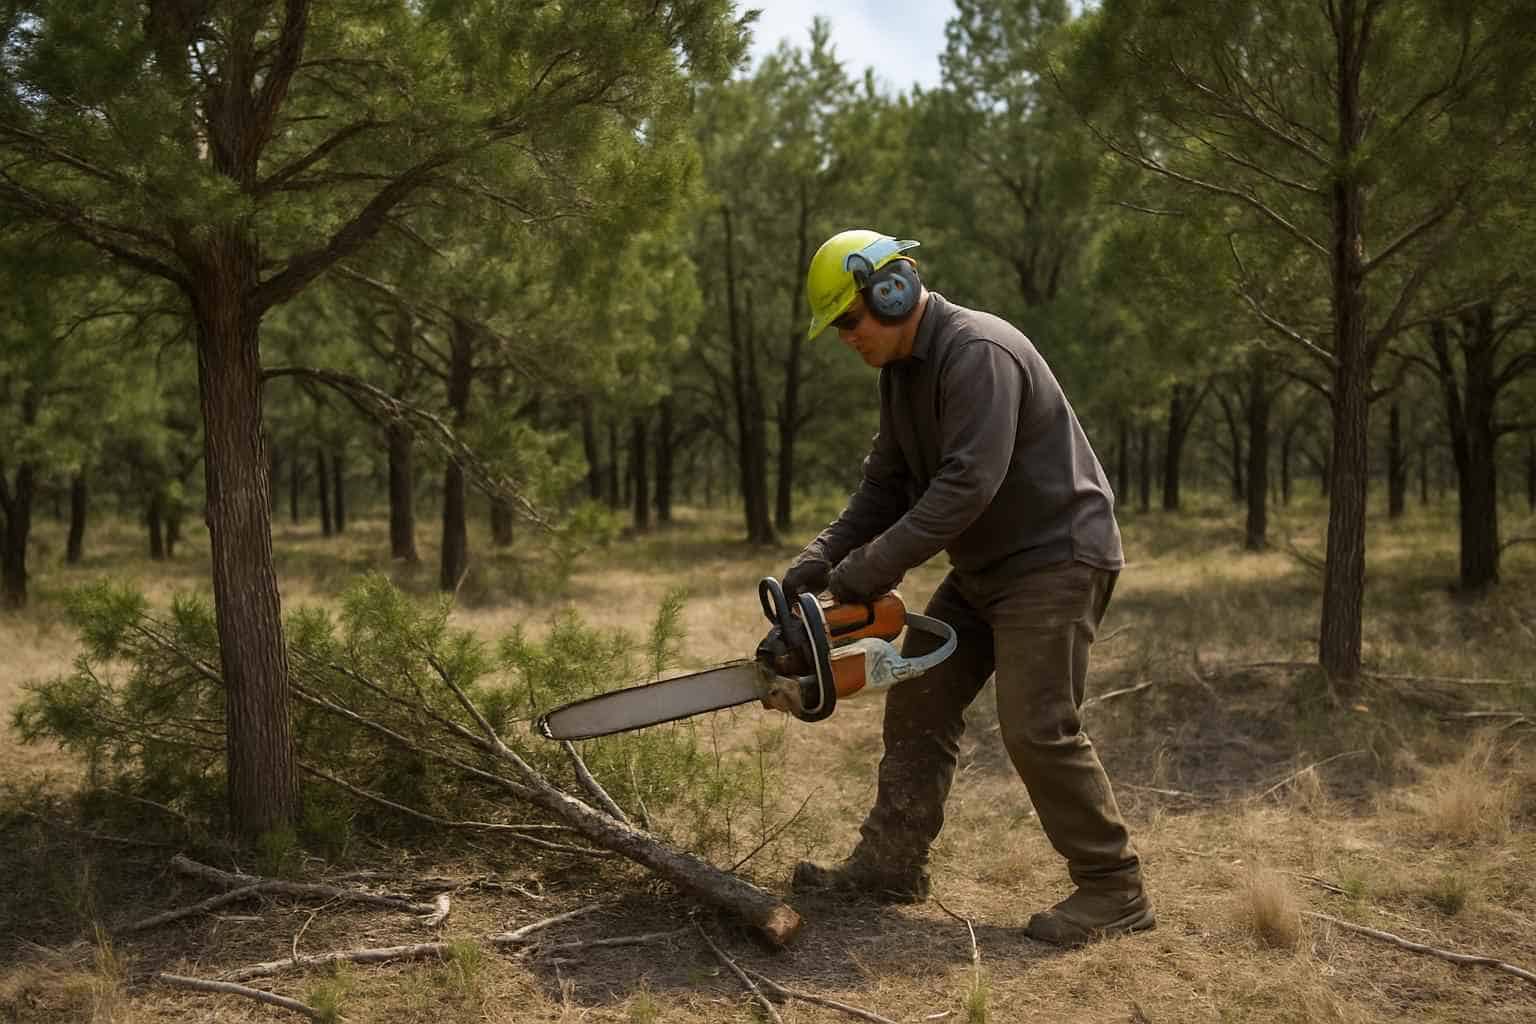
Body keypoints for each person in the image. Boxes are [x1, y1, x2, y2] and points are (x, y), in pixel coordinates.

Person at [779, 229, 1152, 946]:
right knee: (923, 694)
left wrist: (869, 571)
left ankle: (1114, 887)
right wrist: (822, 557)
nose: (846, 339)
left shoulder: (977, 352)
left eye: (849, 321)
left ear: (892, 291)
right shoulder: (903, 372)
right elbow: (886, 483)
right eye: (837, 330)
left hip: (1055, 557)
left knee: (1036, 724)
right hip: (986, 567)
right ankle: (891, 866)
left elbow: (965, 486)